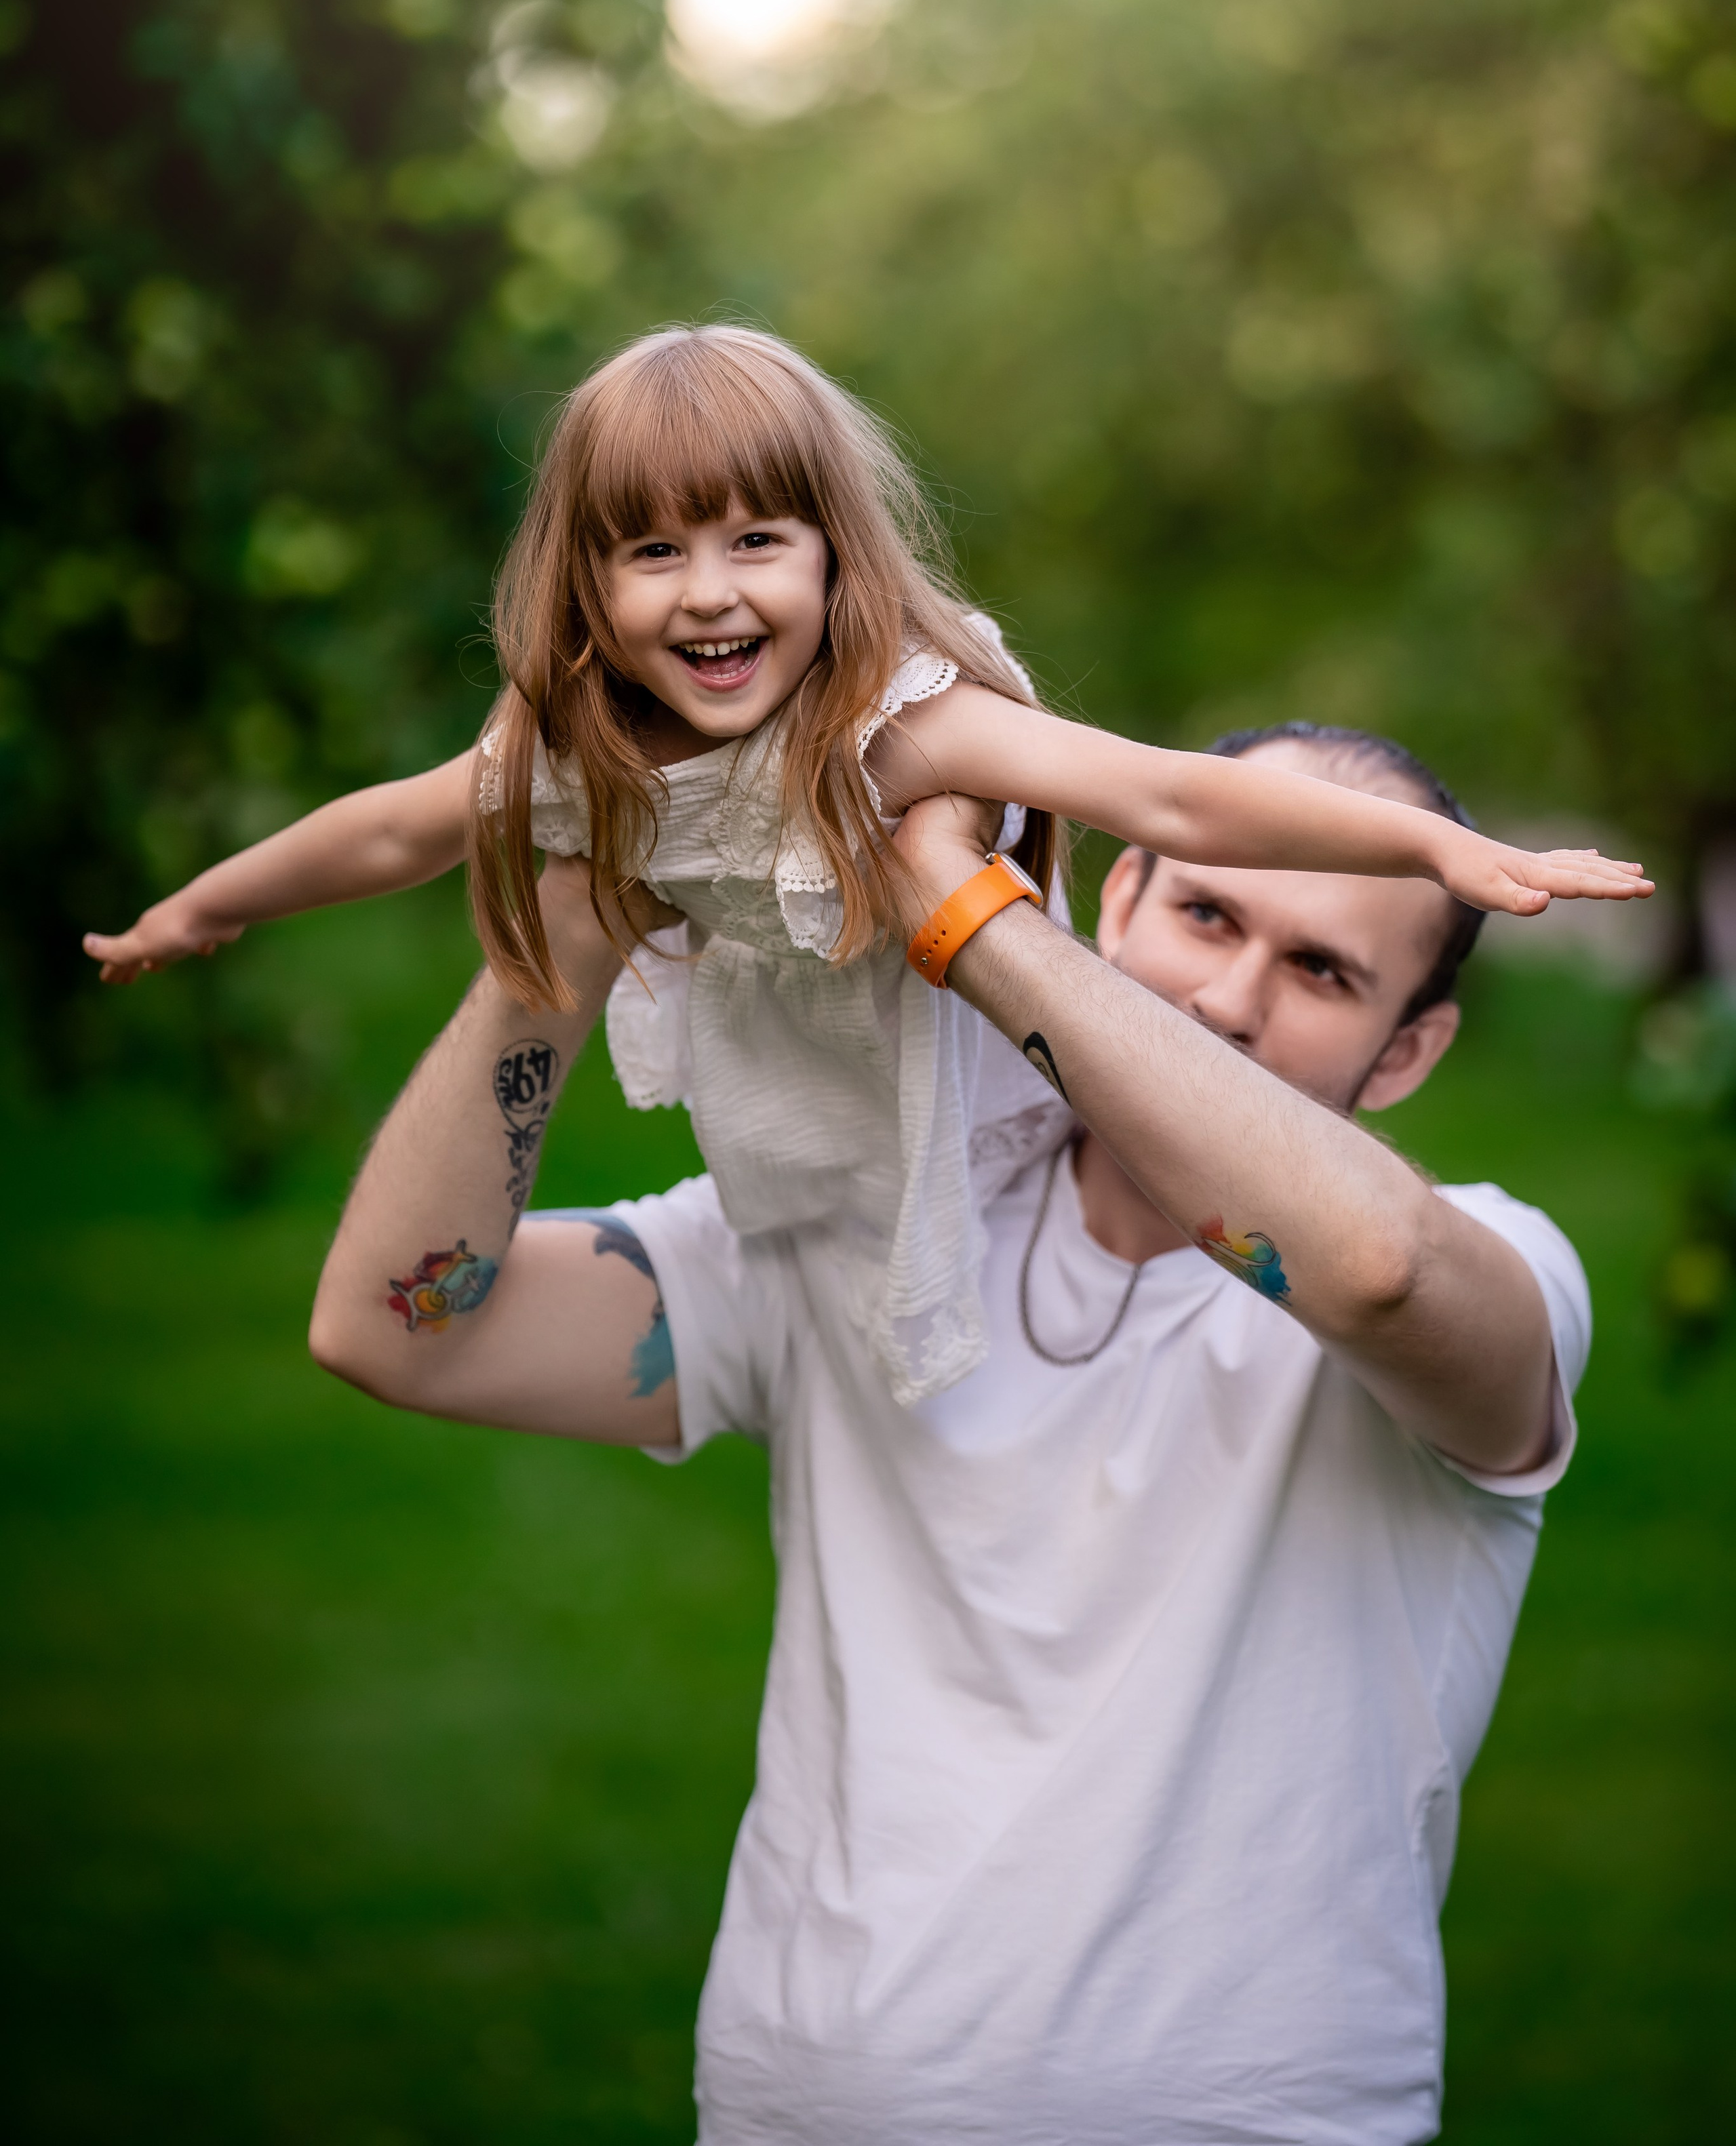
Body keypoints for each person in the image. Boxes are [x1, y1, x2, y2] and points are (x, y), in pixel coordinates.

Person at [308, 717, 1592, 2146]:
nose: (1229, 999)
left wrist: (965, 913)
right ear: (1119, 897)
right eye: (1207, 915)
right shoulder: (869, 1219)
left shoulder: (1502, 1268)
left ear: (1406, 1051)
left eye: (1320, 972)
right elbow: (398, 1325)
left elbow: (1376, 1271)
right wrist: (563, 933)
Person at [84, 325, 1644, 1407]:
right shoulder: (572, 762)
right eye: (652, 551)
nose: (709, 592)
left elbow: (1170, 794)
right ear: (586, 585)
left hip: (926, 1087)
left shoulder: (898, 735)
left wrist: (1437, 848)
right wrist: (206, 906)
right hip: (787, 1159)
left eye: (756, 540)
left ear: (837, 556)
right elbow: (388, 830)